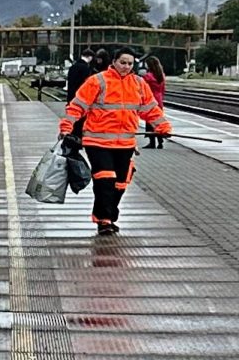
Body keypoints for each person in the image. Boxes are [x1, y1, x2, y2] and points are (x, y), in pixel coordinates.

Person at [60, 48, 170, 233]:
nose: (126, 67)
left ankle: (108, 216)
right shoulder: (97, 81)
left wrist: (163, 127)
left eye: (130, 63)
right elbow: (77, 106)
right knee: (105, 180)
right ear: (114, 62)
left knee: (120, 183)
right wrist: (66, 128)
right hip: (98, 142)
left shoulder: (139, 84)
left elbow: (151, 109)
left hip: (125, 143)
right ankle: (104, 221)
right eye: (123, 62)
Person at [144, 53, 168, 145]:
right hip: (159, 99)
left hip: (150, 100)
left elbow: (143, 89)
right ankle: (160, 140)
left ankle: (152, 142)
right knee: (158, 121)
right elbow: (163, 89)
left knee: (150, 122)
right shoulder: (161, 75)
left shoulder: (148, 76)